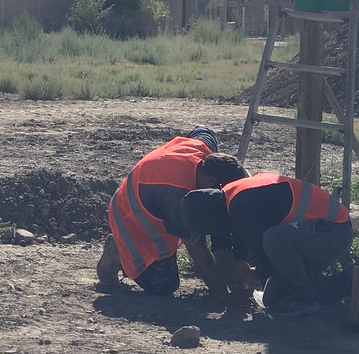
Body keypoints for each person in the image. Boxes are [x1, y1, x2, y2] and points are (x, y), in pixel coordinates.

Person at [180, 173, 359, 317]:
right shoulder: (232, 196)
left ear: (213, 217)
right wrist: (241, 260)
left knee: (274, 239)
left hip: (333, 232)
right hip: (312, 237)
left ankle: (305, 301)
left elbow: (260, 247)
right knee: (274, 298)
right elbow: (243, 230)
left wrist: (255, 278)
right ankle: (353, 282)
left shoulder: (241, 203)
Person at [96, 126, 248, 297]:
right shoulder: (177, 196)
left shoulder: (204, 152)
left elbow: (204, 130)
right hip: (129, 216)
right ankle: (117, 251)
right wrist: (224, 296)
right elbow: (201, 259)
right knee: (164, 284)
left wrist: (224, 253)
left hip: (153, 203)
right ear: (213, 180)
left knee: (213, 206)